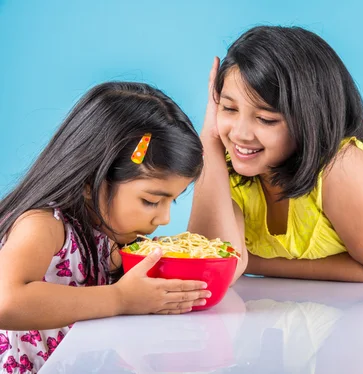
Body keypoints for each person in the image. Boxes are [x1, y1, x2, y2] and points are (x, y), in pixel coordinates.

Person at [0, 82, 231, 373]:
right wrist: (121, 298)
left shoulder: (111, 236)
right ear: (89, 182)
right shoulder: (44, 224)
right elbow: (5, 302)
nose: (165, 219)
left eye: (173, 201)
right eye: (151, 201)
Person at [189, 26, 363, 283]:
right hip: (294, 310)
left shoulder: (340, 166)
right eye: (228, 108)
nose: (240, 133)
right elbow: (207, 268)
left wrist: (254, 262)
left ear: (311, 120)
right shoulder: (229, 167)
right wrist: (209, 142)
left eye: (266, 119)